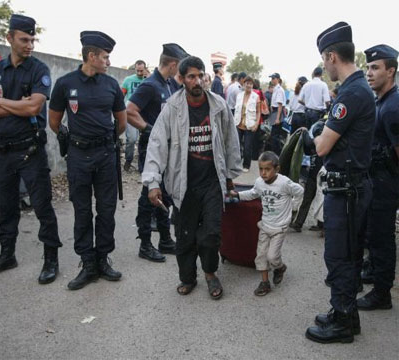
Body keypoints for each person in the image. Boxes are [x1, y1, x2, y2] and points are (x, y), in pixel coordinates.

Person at [142, 56, 241, 299]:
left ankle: (210, 273)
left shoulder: (218, 105)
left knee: (211, 234)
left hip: (211, 183)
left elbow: (230, 141)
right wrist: (153, 182)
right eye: (191, 76)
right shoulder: (171, 109)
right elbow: (156, 145)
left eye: (200, 75)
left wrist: (229, 176)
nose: (197, 81)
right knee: (184, 237)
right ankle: (188, 278)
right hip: (183, 184)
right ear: (182, 79)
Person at [304, 21, 375, 344]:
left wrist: (316, 133)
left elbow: (321, 146)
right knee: (348, 254)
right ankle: (345, 312)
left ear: (332, 56)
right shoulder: (358, 89)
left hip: (346, 189)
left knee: (340, 256)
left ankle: (343, 323)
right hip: (350, 185)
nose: (324, 66)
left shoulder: (353, 92)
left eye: (323, 58)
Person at [49, 31, 127, 290]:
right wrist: (75, 141)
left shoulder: (111, 84)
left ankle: (103, 259)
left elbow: (122, 121)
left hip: (105, 154)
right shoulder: (65, 83)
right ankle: (88, 263)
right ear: (91, 56)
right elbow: (54, 121)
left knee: (106, 210)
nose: (108, 61)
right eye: (105, 57)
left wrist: (103, 140)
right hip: (79, 155)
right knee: (82, 210)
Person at [0, 14, 62, 284]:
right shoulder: (0, 69)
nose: (30, 45)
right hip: (3, 150)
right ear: (9, 38)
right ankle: (7, 253)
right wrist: (19, 105)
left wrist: (7, 104)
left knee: (41, 206)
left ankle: (51, 259)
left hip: (30, 151)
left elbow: (34, 107)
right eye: (24, 39)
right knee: (5, 207)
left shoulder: (39, 69)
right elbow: (24, 107)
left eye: (32, 40)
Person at [127, 43, 189, 262]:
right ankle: (145, 244)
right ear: (172, 64)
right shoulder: (150, 85)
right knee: (148, 196)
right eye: (180, 65)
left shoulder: (170, 84)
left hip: (170, 150)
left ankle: (164, 240)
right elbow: (130, 112)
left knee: (166, 194)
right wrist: (150, 130)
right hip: (152, 149)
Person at [356, 45, 399, 311]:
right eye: (368, 67)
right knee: (373, 234)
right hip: (376, 181)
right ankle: (374, 273)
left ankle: (382, 293)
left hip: (386, 183)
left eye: (375, 68)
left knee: (382, 238)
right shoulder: (382, 101)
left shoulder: (393, 106)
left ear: (391, 71)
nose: (369, 73)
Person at [230, 151, 303, 296]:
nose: (263, 173)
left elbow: (300, 190)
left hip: (280, 227)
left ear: (277, 169)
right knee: (261, 256)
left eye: (267, 169)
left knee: (272, 257)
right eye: (261, 169)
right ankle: (265, 283)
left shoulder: (284, 183)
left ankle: (280, 267)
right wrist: (238, 195)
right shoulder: (259, 182)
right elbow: (253, 193)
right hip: (265, 225)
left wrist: (294, 207)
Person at [121, 60, 147, 172]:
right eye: (138, 71)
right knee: (131, 139)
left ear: (145, 69)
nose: (140, 73)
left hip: (145, 115)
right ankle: (128, 160)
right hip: (131, 114)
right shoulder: (128, 80)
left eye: (141, 70)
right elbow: (121, 96)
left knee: (146, 140)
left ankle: (143, 165)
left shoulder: (149, 80)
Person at [234, 76, 261, 172]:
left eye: (250, 84)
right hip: (238, 124)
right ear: (243, 84)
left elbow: (258, 112)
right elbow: (236, 110)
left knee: (247, 147)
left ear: (252, 85)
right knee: (236, 145)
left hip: (249, 125)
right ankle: (236, 163)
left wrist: (256, 124)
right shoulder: (239, 95)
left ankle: (246, 165)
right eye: (247, 83)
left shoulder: (256, 97)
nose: (248, 85)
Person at [268, 73, 286, 155]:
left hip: (277, 113)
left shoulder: (279, 89)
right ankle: (275, 154)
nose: (272, 80)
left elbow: (280, 105)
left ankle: (277, 155)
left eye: (273, 78)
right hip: (274, 112)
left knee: (275, 137)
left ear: (278, 79)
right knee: (274, 136)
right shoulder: (275, 89)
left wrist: (277, 118)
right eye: (271, 78)